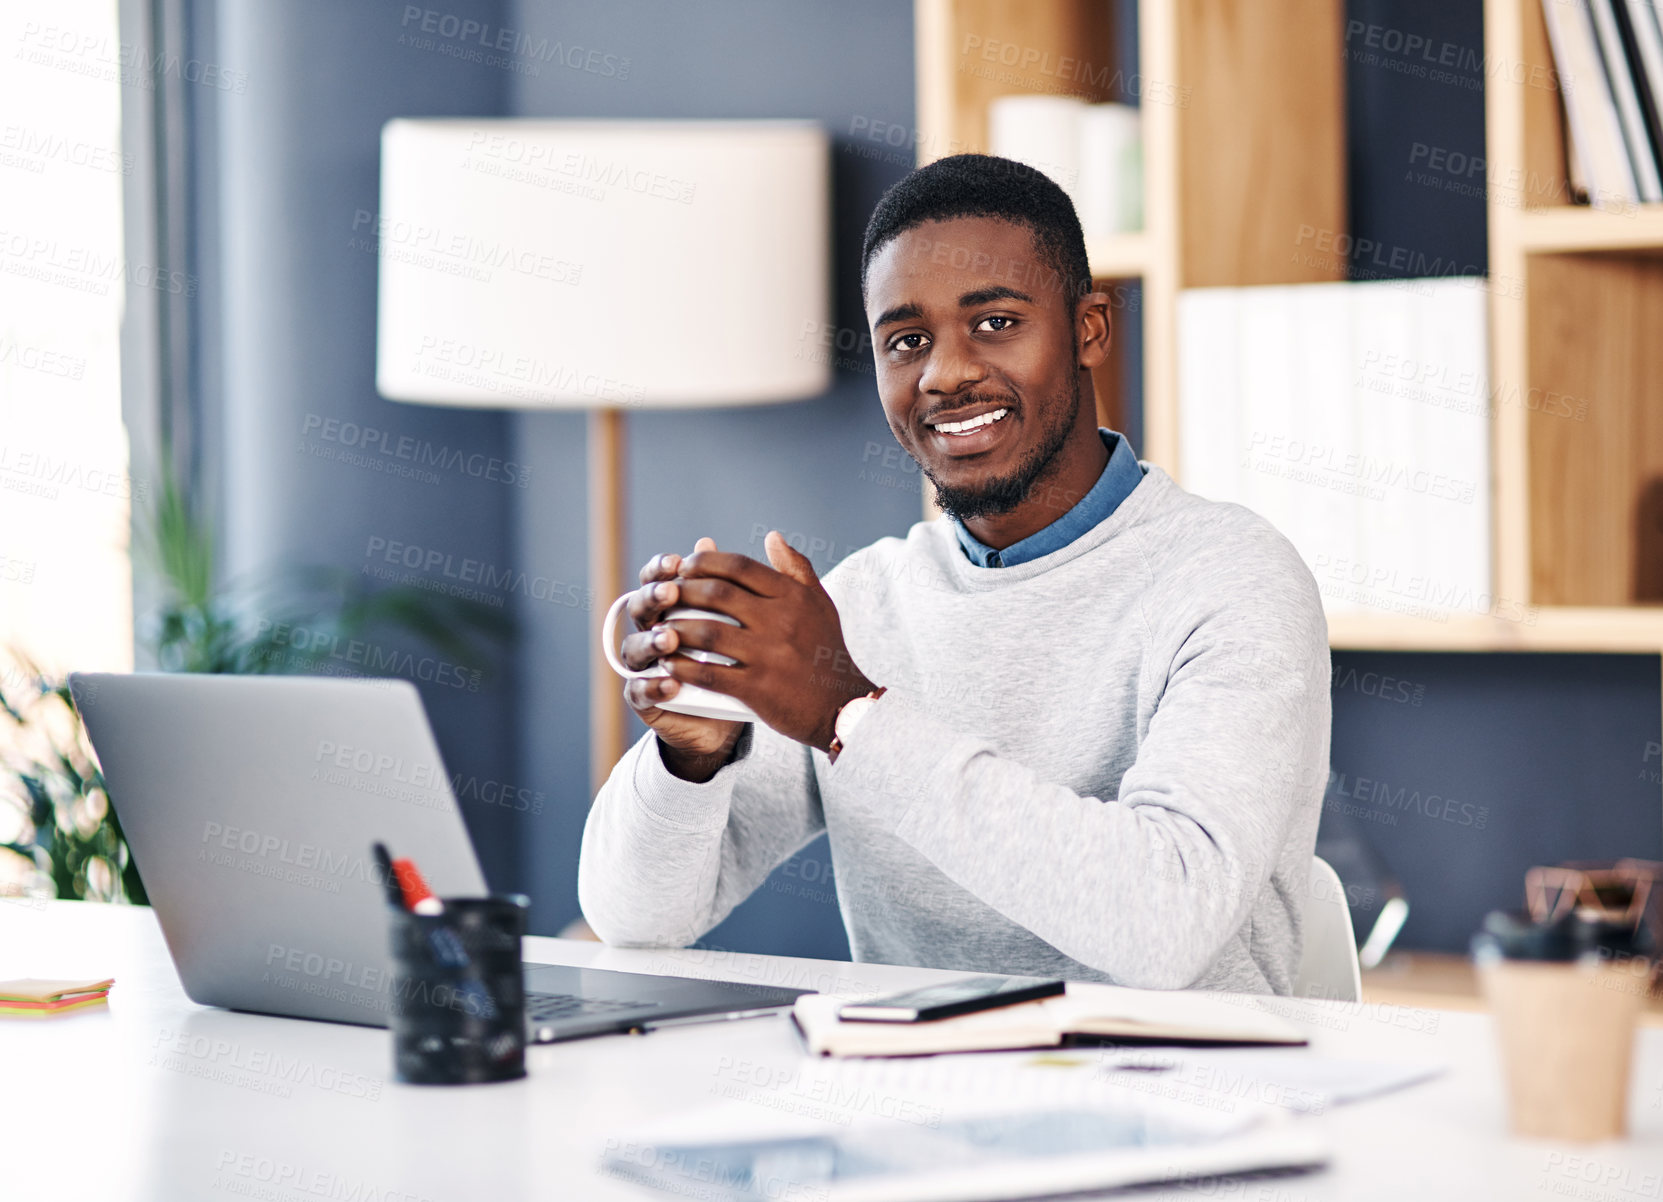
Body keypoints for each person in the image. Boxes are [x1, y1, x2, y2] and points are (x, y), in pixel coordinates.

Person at [578, 154, 1330, 994]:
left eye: (996, 322)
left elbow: (1167, 922)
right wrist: (691, 754)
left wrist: (845, 713)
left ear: (1088, 329)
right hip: (911, 1100)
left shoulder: (1231, 578)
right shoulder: (862, 604)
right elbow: (634, 919)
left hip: (1190, 1108)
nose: (944, 373)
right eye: (906, 342)